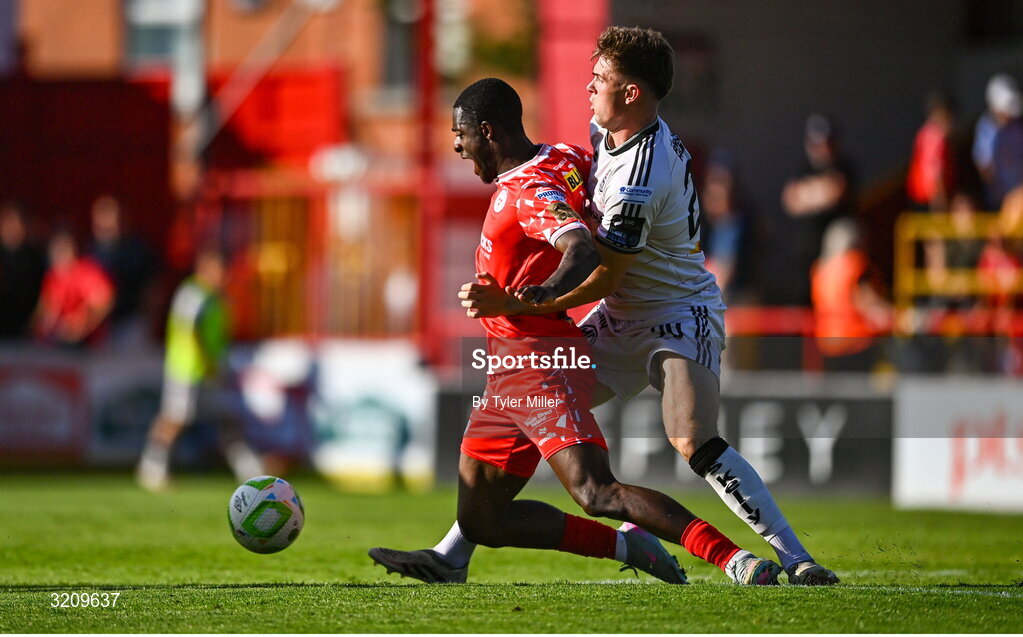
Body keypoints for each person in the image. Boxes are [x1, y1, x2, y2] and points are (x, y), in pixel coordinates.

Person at [372, 28, 836, 586]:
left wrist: (523, 300)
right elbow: (569, 190)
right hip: (614, 315)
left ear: (633, 93)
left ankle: (792, 557)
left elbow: (597, 273)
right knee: (526, 414)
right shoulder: (594, 138)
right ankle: (455, 551)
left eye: (601, 80)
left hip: (674, 311)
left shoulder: (641, 173)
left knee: (690, 440)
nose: (589, 87)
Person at [137, 248, 265, 491]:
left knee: (224, 419)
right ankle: (151, 467)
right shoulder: (193, 294)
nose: (223, 275)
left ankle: (248, 468)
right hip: (187, 370)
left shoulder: (214, 296)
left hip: (207, 372)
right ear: (206, 268)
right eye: (220, 270)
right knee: (175, 418)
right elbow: (192, 330)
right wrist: (207, 359)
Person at [769, 114, 857, 305]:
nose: (822, 150)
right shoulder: (803, 167)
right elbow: (790, 199)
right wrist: (819, 191)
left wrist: (808, 193)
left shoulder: (844, 166)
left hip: (831, 257)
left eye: (828, 143)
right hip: (805, 254)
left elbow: (835, 191)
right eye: (817, 144)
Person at [810, 218, 891, 372]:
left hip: (827, 341)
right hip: (855, 341)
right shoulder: (855, 264)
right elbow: (869, 303)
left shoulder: (820, 269)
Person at [87, 195, 159, 348]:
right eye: (103, 216)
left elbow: (153, 289)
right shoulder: (91, 251)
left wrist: (149, 320)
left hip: (131, 324)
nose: (108, 223)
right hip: (100, 328)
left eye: (112, 217)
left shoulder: (138, 250)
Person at [33, 229, 114, 348]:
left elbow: (103, 303)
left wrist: (80, 326)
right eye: (56, 250)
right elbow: (47, 311)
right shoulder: (52, 277)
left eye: (64, 249)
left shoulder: (87, 272)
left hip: (92, 346)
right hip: (58, 345)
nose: (60, 254)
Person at [0, 201, 45, 339]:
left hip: (24, 330)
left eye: (17, 223)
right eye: (8, 223)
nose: (12, 229)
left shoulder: (34, 257)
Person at [906, 91, 957, 212]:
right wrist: (940, 208)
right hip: (927, 203)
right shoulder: (935, 137)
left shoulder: (927, 133)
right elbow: (934, 178)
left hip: (925, 201)